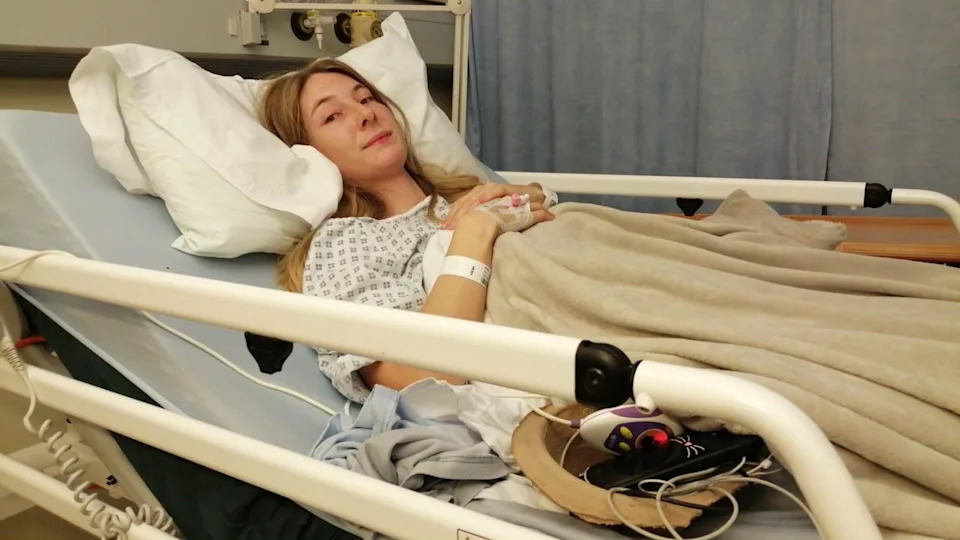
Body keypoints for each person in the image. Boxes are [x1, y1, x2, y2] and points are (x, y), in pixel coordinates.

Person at [259, 58, 557, 402]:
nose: (365, 114)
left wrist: (525, 193)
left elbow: (559, 226)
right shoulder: (343, 245)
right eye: (332, 116)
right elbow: (421, 380)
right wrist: (475, 231)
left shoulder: (465, 193)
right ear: (307, 154)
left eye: (365, 98)